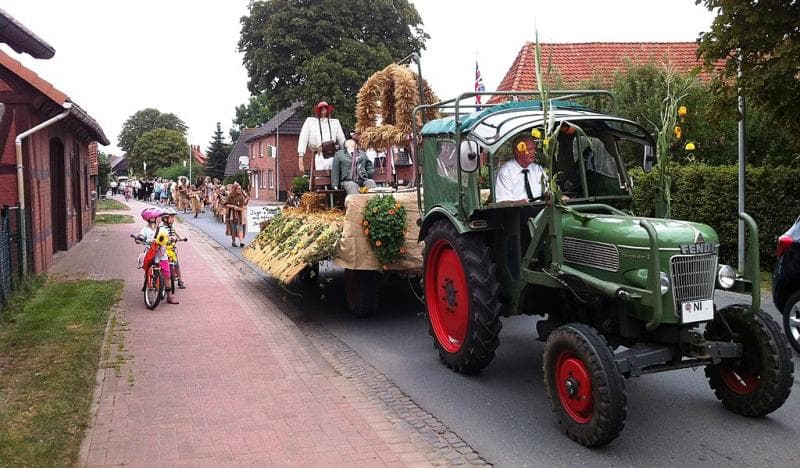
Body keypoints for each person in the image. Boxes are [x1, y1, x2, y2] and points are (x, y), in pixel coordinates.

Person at [139, 208, 179, 304]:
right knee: (148, 269)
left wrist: (172, 238)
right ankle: (149, 283)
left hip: (162, 255)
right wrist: (139, 238)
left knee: (167, 275)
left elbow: (168, 237)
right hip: (150, 254)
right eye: (159, 217)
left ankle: (169, 296)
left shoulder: (162, 229)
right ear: (152, 219)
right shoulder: (146, 229)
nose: (161, 218)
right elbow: (140, 236)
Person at [494, 134, 548, 203]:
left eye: (534, 149)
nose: (534, 152)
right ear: (517, 151)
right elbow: (501, 202)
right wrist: (519, 203)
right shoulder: (505, 171)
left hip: (541, 210)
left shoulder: (538, 169)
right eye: (530, 149)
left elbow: (546, 192)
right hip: (516, 211)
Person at [297, 101, 345, 172]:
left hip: (332, 154)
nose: (323, 112)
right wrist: (301, 157)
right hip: (319, 155)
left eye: (325, 109)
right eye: (321, 110)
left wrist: (347, 154)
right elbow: (303, 138)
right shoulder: (311, 122)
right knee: (320, 175)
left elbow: (342, 140)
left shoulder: (334, 123)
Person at [160, 207, 186, 290]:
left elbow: (175, 233)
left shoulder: (171, 227)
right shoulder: (161, 228)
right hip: (164, 248)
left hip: (171, 248)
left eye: (173, 217)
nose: (173, 219)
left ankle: (180, 280)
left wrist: (180, 238)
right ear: (165, 218)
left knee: (176, 264)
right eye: (171, 217)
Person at [225, 183, 248, 247]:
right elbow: (226, 204)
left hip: (240, 213)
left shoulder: (241, 195)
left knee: (240, 227)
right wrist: (233, 206)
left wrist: (247, 200)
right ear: (235, 189)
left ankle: (241, 242)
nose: (239, 190)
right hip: (233, 214)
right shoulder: (230, 196)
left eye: (240, 188)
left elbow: (244, 204)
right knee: (234, 228)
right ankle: (233, 241)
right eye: (238, 188)